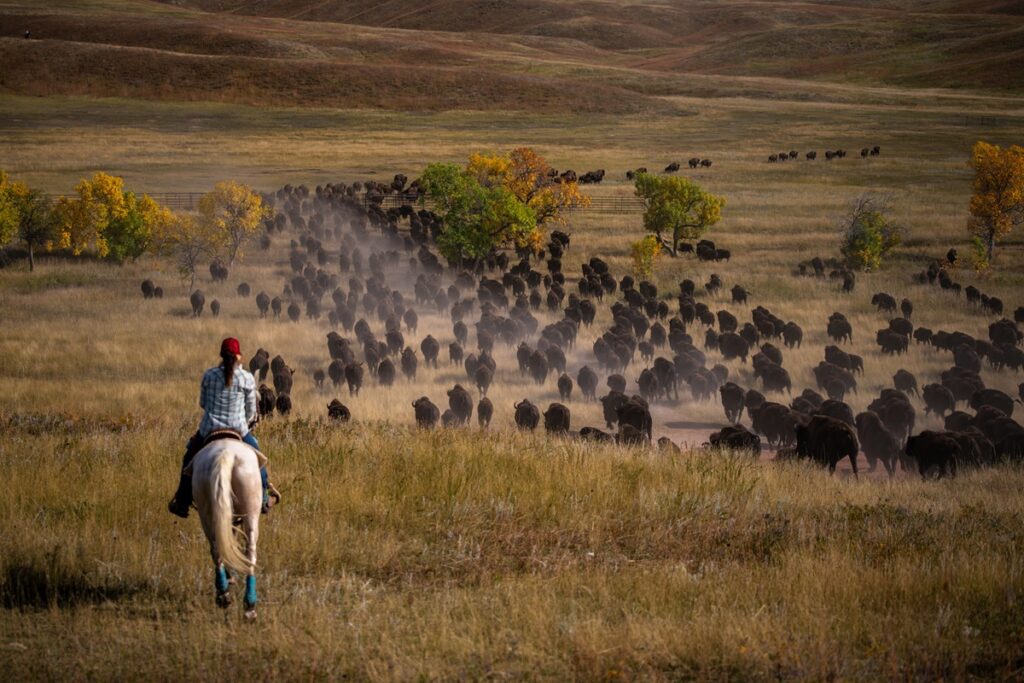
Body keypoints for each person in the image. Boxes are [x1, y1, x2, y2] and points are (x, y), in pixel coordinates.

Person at [168, 337, 271, 518]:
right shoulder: (247, 378)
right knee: (257, 457)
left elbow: (203, 404)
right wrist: (243, 422)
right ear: (239, 356)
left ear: (221, 355)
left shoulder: (208, 375)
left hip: (209, 430)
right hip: (238, 431)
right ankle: (263, 496)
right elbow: (251, 411)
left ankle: (182, 501)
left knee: (189, 456)